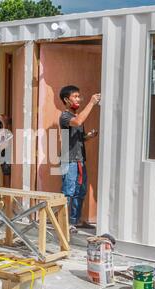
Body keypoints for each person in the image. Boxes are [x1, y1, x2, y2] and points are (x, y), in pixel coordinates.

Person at [59, 85, 101, 233]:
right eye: (75, 96)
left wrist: (87, 136)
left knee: (80, 191)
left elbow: (78, 137)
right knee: (68, 192)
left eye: (79, 96)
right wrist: (91, 103)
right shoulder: (65, 116)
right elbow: (77, 122)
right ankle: (64, 223)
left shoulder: (76, 117)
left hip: (79, 159)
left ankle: (74, 221)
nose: (78, 99)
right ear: (66, 100)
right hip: (68, 160)